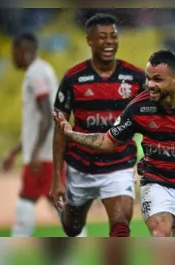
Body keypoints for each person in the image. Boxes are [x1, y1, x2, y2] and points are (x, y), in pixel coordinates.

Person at [52, 49, 175, 237]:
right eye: (148, 78)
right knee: (160, 234)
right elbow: (107, 141)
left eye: (157, 79)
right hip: (156, 181)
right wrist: (72, 134)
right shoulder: (138, 108)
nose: (150, 84)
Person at [51, 13, 146, 237]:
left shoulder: (134, 77)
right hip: (80, 167)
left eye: (113, 36)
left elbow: (151, 121)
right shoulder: (73, 79)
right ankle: (69, 214)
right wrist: (57, 179)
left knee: (121, 224)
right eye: (102, 37)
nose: (109, 42)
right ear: (89, 41)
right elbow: (60, 131)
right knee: (72, 228)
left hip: (118, 166)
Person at [2, 32, 65, 237]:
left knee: (26, 204)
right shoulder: (44, 70)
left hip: (44, 155)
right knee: (59, 205)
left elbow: (47, 116)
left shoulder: (35, 74)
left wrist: (36, 151)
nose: (13, 57)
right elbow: (37, 123)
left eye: (14, 52)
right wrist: (14, 152)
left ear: (22, 51)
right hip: (49, 152)